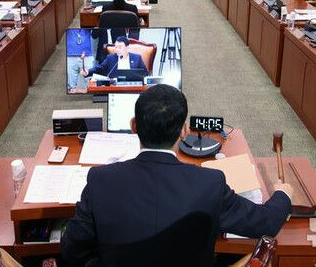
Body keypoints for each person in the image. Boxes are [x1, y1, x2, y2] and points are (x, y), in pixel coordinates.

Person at [61, 84, 293, 266]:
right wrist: (283, 194)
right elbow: (266, 222)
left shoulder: (100, 180)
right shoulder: (210, 183)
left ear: (134, 126)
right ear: (184, 131)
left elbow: (71, 251)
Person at [80, 36, 148, 78]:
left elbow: (145, 73)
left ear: (127, 48)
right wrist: (88, 72)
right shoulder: (111, 58)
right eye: (116, 47)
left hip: (133, 87)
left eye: (120, 47)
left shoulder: (137, 58)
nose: (117, 50)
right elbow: (99, 68)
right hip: (114, 87)